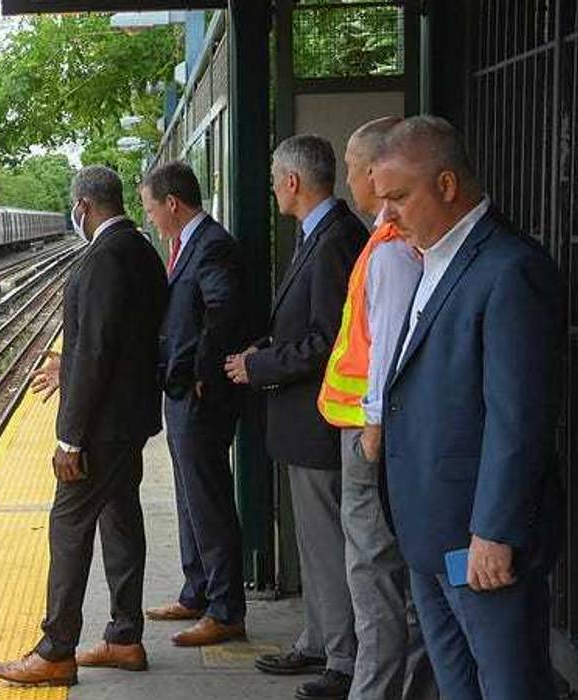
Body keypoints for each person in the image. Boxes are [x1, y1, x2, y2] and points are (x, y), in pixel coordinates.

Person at [373, 115, 562, 700]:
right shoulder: (435, 256)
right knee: (456, 685)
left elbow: (519, 418)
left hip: (479, 544)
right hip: (430, 534)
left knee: (508, 685)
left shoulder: (509, 269)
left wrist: (494, 531)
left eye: (399, 197)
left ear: (448, 185)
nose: (387, 216)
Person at [0, 165, 168, 686]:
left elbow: (96, 350)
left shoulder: (103, 259)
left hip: (102, 428)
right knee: (121, 521)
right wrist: (65, 364)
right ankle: (125, 638)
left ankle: (56, 649)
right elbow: (121, 339)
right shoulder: (141, 252)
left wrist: (70, 437)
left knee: (68, 527)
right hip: (131, 420)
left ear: (84, 207)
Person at [225, 134, 366, 700]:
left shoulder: (333, 241)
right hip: (303, 423)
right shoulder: (322, 235)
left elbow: (328, 341)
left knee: (329, 542)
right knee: (315, 542)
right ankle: (318, 637)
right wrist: (262, 352)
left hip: (317, 424)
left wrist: (260, 367)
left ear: (291, 182)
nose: (271, 190)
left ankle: (343, 656)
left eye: (273, 179)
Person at [317, 116, 438, 700]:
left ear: (371, 172)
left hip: (371, 435)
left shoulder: (388, 254)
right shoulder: (385, 246)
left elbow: (386, 347)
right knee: (392, 578)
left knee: (373, 578)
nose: (346, 179)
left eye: (348, 167)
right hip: (375, 432)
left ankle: (376, 692)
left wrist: (372, 427)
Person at [138, 162, 248, 647]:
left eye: (151, 210)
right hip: (181, 392)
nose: (151, 219)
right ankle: (197, 590)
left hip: (199, 396)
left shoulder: (212, 246)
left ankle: (225, 608)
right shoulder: (189, 246)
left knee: (208, 499)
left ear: (173, 204)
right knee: (188, 495)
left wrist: (202, 375)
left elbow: (223, 313)